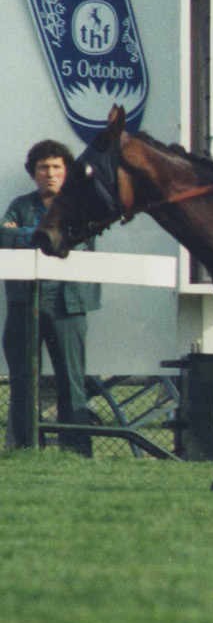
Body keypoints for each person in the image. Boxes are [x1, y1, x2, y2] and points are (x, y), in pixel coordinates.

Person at [1, 140, 100, 454]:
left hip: (67, 302)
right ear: (33, 173)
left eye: (57, 167)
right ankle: (24, 448)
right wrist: (39, 234)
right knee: (22, 379)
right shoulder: (20, 203)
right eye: (43, 167)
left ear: (67, 172)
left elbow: (73, 238)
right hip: (23, 301)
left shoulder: (81, 203)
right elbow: (3, 235)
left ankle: (77, 450)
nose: (50, 173)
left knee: (71, 380)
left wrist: (26, 234)